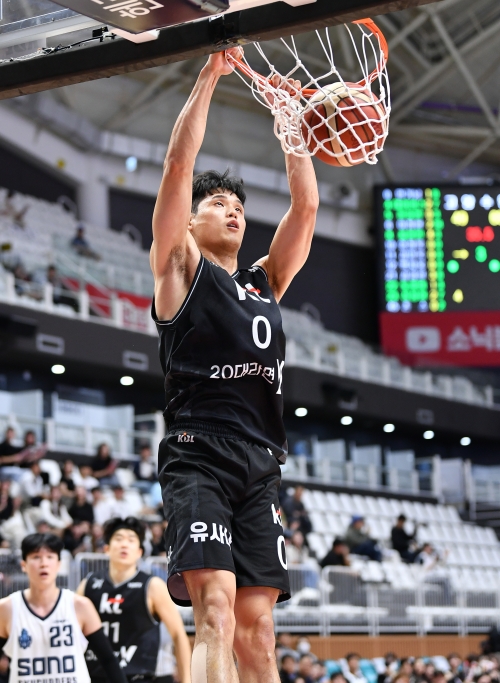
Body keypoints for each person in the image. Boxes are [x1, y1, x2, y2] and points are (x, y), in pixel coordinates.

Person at [150, 45, 318, 683]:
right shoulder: (180, 271)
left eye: (237, 204)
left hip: (261, 465)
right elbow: (177, 162)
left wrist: (290, 124)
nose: (233, 209)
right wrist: (209, 77)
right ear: (189, 224)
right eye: (216, 202)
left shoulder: (264, 283)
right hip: (201, 453)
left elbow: (304, 209)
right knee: (214, 610)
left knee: (261, 635)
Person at [0, 532, 129, 683]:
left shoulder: (80, 606)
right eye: (36, 557)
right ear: (24, 565)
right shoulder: (6, 608)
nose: (44, 563)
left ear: (59, 564)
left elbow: (108, 660)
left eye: (50, 557)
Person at [77, 516, 191, 683]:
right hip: (95, 676)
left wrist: (187, 680)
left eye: (131, 540)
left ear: (139, 552)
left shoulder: (152, 586)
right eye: (118, 539)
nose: (124, 544)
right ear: (107, 548)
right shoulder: (88, 584)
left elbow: (178, 634)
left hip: (138, 677)